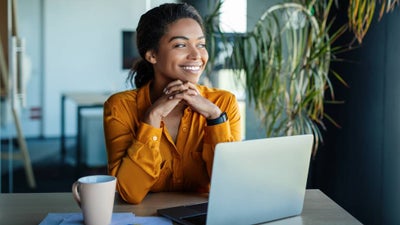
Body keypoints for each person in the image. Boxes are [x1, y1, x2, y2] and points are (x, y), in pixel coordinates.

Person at [103, 3, 241, 204]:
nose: (196, 56)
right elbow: (129, 193)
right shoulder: (120, 107)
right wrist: (151, 119)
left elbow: (231, 186)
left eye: (201, 44)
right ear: (152, 55)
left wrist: (215, 119)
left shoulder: (222, 104)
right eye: (180, 45)